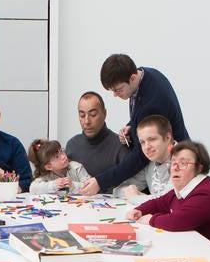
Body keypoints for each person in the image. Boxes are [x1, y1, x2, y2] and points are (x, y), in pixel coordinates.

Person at [79, 54, 190, 196]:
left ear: (132, 78)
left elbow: (140, 156)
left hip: (172, 164)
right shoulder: (147, 73)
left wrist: (100, 182)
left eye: (118, 90)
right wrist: (132, 126)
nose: (115, 95)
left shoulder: (151, 104)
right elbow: (145, 115)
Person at [130, 141, 210, 262]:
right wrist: (140, 210)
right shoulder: (183, 188)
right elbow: (159, 203)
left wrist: (151, 219)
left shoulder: (205, 193)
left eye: (183, 163)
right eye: (173, 162)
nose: (175, 167)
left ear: (199, 168)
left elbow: (176, 221)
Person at [64, 91, 124, 192]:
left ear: (104, 113)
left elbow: (129, 187)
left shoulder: (120, 146)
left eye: (93, 114)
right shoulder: (72, 145)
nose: (87, 121)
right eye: (82, 115)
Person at [115, 115, 175, 203]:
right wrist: (130, 192)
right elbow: (118, 190)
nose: (147, 147)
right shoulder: (151, 163)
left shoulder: (184, 160)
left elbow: (167, 202)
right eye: (142, 142)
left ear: (167, 137)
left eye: (152, 139)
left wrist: (135, 197)